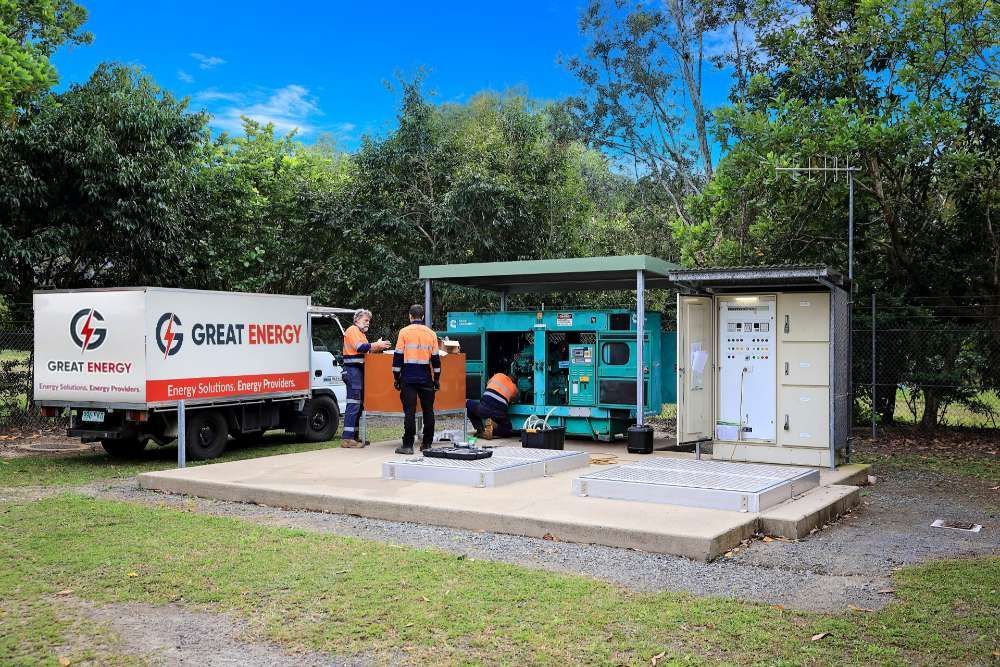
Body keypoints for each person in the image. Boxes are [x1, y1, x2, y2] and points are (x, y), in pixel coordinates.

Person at [392, 304, 441, 454]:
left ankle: (407, 446)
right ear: (423, 317)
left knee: (410, 412)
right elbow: (436, 360)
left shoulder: (404, 332)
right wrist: (436, 379)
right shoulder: (431, 334)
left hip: (408, 378)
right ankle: (427, 444)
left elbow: (398, 357)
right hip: (426, 378)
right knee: (428, 411)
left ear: (410, 316)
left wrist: (396, 377)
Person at [341, 309, 391, 447]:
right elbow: (360, 348)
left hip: (358, 372)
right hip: (352, 371)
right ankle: (347, 438)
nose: (368, 323)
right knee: (353, 404)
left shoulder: (361, 334)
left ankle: (354, 437)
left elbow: (367, 350)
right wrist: (376, 345)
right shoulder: (353, 330)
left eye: (369, 321)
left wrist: (378, 347)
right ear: (357, 320)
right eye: (366, 320)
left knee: (358, 405)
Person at [466, 372, 517, 439]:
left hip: (483, 409)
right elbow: (513, 400)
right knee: (508, 429)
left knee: (468, 403)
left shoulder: (498, 375)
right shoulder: (514, 388)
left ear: (507, 375)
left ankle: (480, 430)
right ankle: (493, 427)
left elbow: (488, 384)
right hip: (498, 414)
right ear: (514, 382)